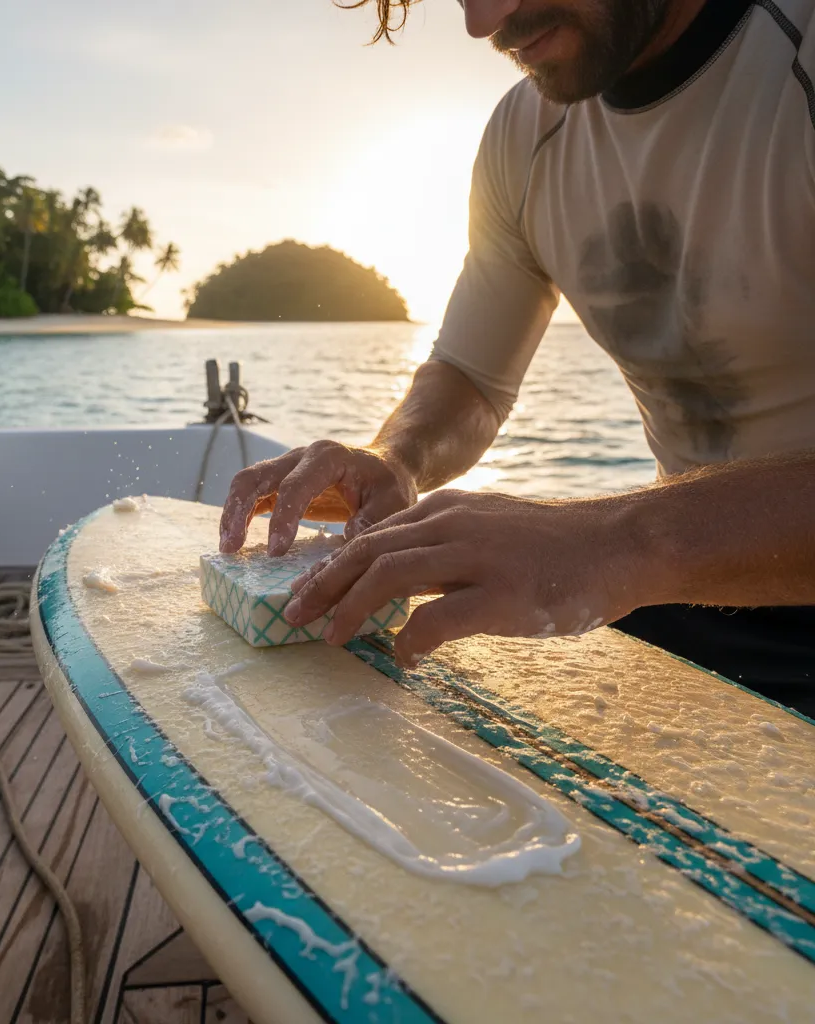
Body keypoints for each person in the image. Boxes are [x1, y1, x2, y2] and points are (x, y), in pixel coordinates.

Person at [219, 0, 815, 714]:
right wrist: (396, 457)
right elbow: (471, 375)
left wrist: (608, 542)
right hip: (682, 589)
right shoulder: (522, 135)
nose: (482, 21)